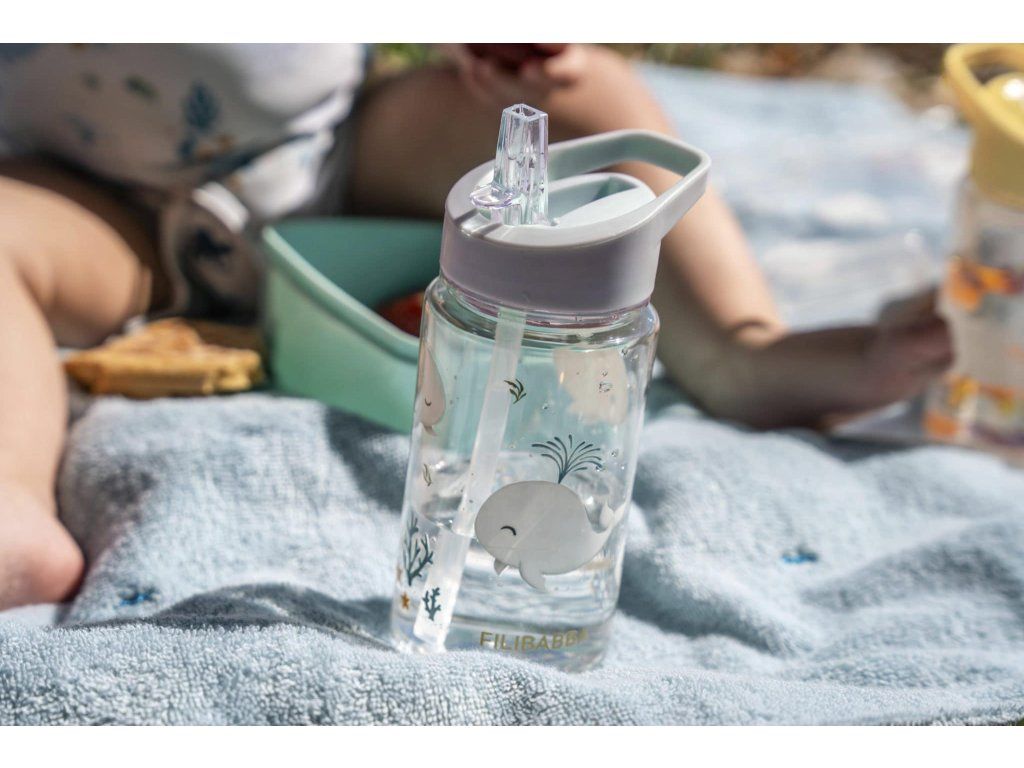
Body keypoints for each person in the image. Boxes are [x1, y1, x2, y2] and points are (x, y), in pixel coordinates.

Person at [0, 43, 952, 609]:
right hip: (93, 201)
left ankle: (743, 350)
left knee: (568, 100)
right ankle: (11, 506)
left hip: (342, 150)